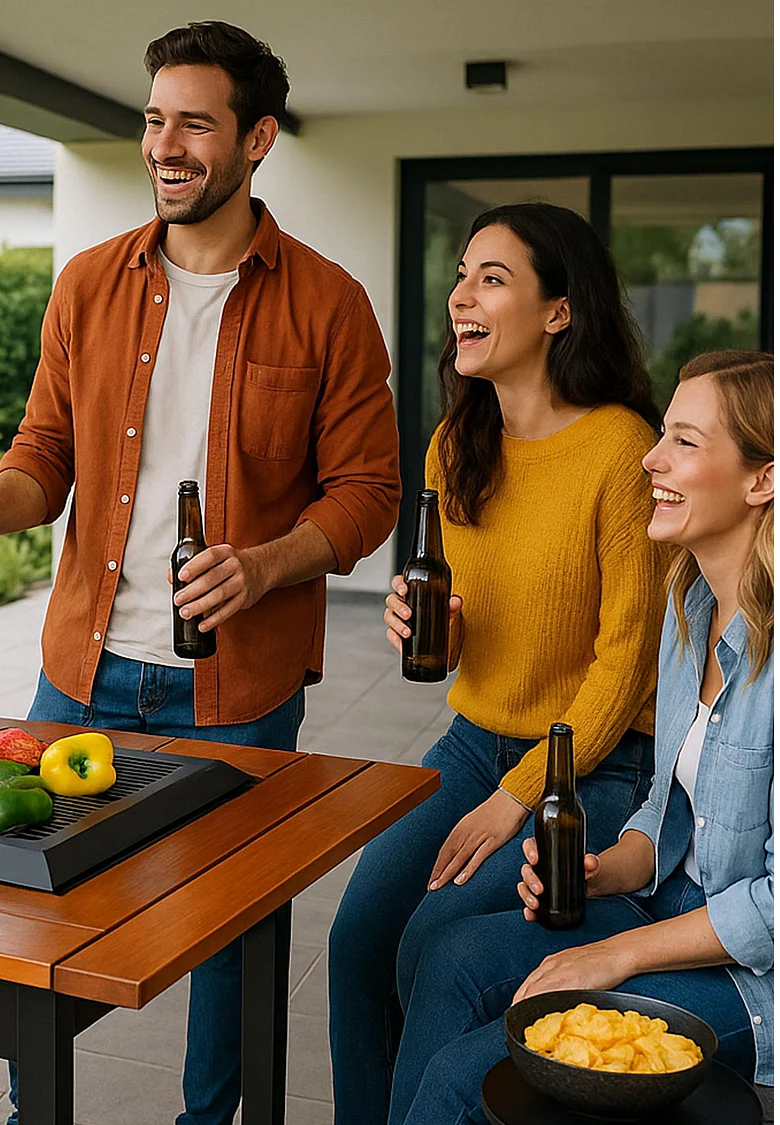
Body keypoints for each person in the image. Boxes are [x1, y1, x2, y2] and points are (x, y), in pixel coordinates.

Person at [0, 22, 400, 1125]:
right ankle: (35, 1103)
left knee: (228, 936)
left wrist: (270, 563)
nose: (164, 144)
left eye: (195, 122)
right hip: (81, 670)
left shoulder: (328, 304)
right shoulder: (88, 285)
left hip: (241, 689)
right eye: (153, 118)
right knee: (35, 909)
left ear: (257, 139)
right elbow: (47, 452)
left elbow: (368, 491)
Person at [329, 202, 668, 1124]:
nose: (460, 296)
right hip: (476, 738)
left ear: (558, 312)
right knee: (357, 937)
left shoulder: (620, 450)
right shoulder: (457, 441)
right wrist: (420, 625)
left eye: (492, 277)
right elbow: (462, 642)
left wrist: (514, 795)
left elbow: (625, 668)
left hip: (584, 767)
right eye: (462, 273)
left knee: (431, 940)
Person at [388, 350, 773, 1122]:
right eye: (663, 432)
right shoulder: (689, 607)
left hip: (752, 979)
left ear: (763, 479)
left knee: (475, 1074)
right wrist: (605, 872)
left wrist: (615, 952)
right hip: (667, 904)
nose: (650, 457)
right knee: (452, 959)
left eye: (686, 443)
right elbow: (666, 816)